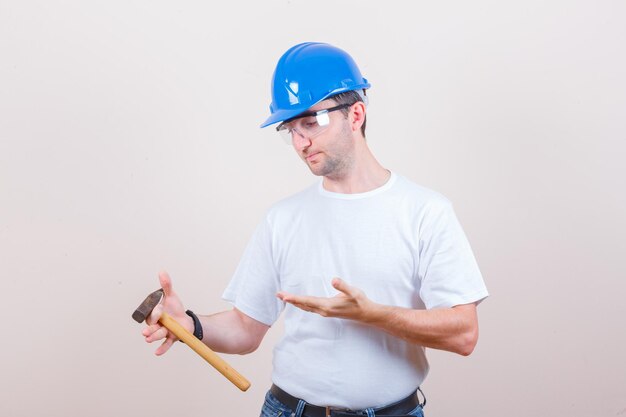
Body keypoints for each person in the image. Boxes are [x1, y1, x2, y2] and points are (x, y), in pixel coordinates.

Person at [142, 42, 489, 417]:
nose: (300, 142)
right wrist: (189, 325)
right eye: (289, 128)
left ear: (355, 115)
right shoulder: (283, 219)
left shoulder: (426, 212)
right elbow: (245, 329)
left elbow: (463, 333)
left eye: (311, 122)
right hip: (290, 410)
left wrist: (371, 314)